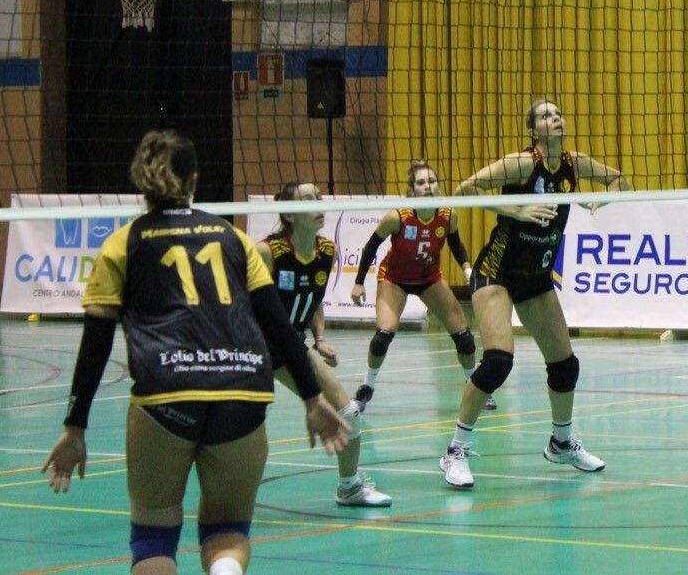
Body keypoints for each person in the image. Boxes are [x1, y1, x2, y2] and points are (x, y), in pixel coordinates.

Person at [43, 130, 347, 575]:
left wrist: (75, 426)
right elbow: (279, 327)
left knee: (153, 537)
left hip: (168, 396)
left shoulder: (122, 244)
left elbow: (97, 341)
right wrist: (311, 398)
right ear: (195, 180)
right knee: (227, 531)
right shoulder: (234, 239)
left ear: (139, 181)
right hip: (242, 393)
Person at [438, 99, 630, 488]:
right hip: (497, 273)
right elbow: (464, 190)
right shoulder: (523, 163)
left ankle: (561, 443)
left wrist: (602, 197)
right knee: (497, 361)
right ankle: (455, 451)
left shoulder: (575, 164)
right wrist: (518, 209)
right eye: (545, 115)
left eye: (558, 113)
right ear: (533, 131)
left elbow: (620, 180)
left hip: (537, 276)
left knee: (565, 365)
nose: (555, 119)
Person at [256, 181, 390, 507]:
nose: (318, 204)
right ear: (289, 214)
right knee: (240, 429)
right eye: (307, 200)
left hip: (292, 347)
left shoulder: (326, 251)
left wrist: (319, 338)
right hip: (253, 348)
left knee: (348, 412)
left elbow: (314, 301)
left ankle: (349, 487)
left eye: (318, 197)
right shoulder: (267, 252)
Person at [347, 161, 481, 413]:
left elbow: (455, 243)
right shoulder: (398, 217)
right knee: (384, 334)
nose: (427, 186)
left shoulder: (447, 215)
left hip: (428, 278)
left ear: (438, 187)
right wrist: (358, 282)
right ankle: (367, 385)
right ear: (411, 190)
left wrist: (467, 269)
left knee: (465, 338)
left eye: (432, 181)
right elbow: (370, 246)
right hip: (394, 279)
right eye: (421, 183)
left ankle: (474, 385)